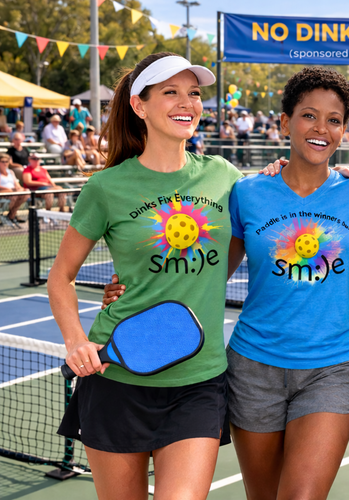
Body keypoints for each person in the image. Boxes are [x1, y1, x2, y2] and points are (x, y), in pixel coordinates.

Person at [100, 66, 349, 500]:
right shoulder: (246, 192)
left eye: (334, 119)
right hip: (252, 368)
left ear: (345, 129)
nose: (321, 128)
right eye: (308, 115)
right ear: (285, 123)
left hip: (331, 368)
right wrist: (131, 285)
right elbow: (208, 268)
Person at [48, 52, 239, 500]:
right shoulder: (105, 188)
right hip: (115, 382)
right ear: (139, 105)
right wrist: (76, 340)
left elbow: (275, 206)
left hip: (199, 382)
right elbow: (61, 277)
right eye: (169, 92)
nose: (186, 102)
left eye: (193, 93)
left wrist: (341, 176)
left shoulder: (225, 177)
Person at [0, 153, 29, 226]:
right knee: (15, 195)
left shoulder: (11, 172)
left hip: (13, 192)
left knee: (25, 193)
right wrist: (10, 189)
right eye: (2, 161)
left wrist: (19, 188)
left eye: (6, 161)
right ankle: (12, 215)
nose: (5, 163)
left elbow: (16, 183)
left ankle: (11, 214)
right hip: (3, 192)